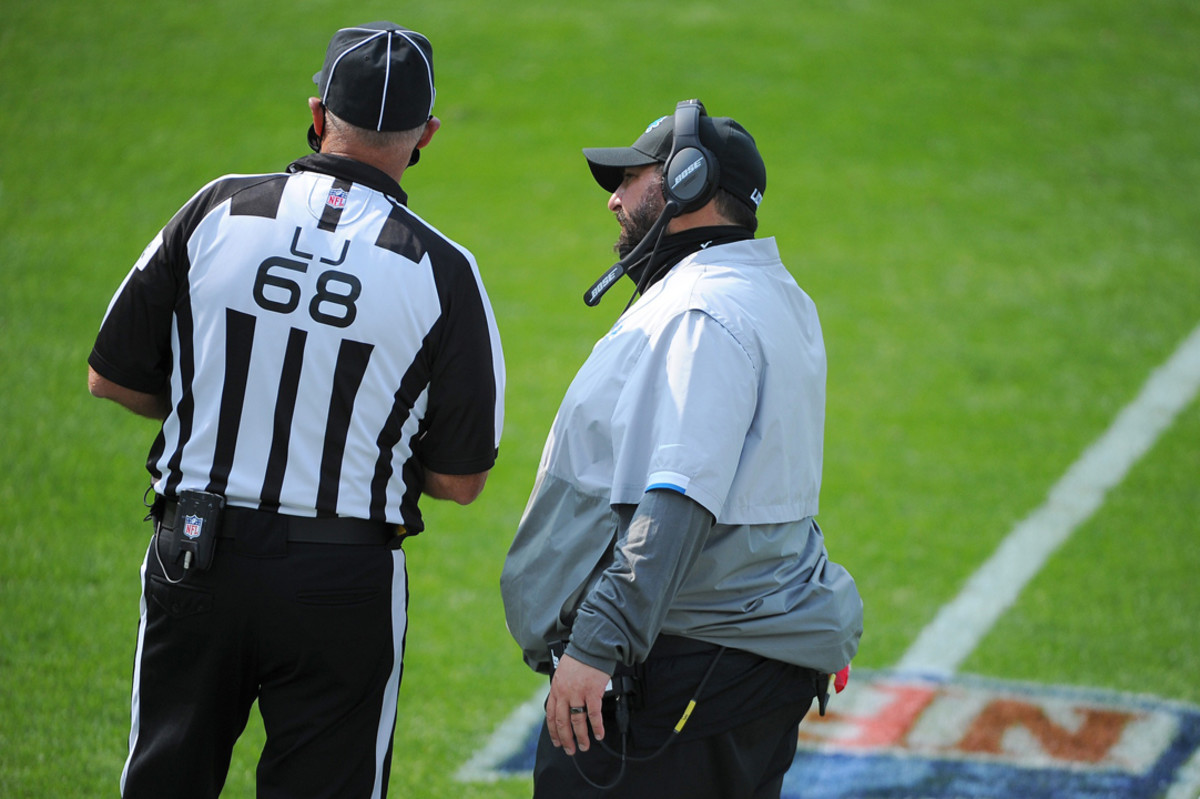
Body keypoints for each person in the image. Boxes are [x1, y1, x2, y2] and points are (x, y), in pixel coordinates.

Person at [87, 22, 504, 799]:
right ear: (427, 137)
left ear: (317, 114)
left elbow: (111, 375)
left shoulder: (216, 208)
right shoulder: (444, 270)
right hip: (341, 577)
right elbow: (461, 477)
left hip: (195, 548)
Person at [500, 100, 862, 798]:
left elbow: (679, 499)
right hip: (734, 664)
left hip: (679, 674)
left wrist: (595, 645)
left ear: (688, 183)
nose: (613, 200)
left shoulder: (704, 313)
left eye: (630, 180)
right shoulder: (772, 294)